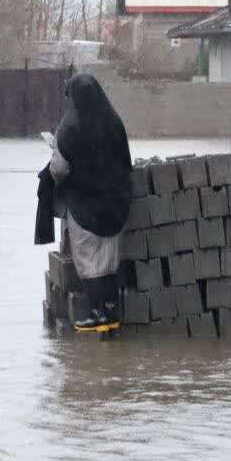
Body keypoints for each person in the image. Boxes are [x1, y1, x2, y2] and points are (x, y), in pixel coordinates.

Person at [49, 73, 132, 331]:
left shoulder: (69, 126)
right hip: (116, 204)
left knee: (88, 259)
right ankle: (111, 312)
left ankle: (96, 315)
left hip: (85, 206)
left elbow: (59, 170)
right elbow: (125, 162)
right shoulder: (114, 121)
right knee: (109, 258)